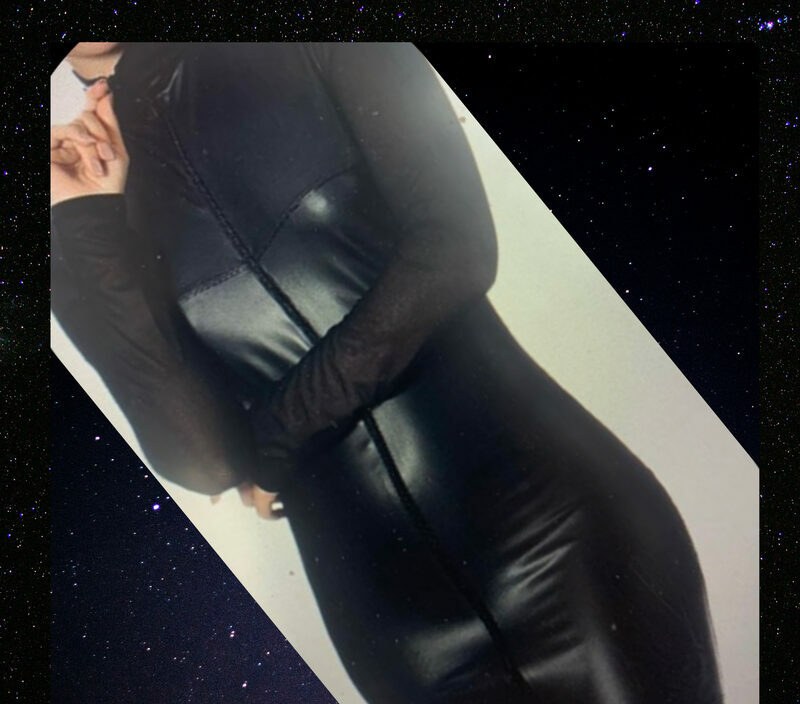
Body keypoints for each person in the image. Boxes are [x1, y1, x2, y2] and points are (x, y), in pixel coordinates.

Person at [51, 42, 724, 703]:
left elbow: (453, 250)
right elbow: (203, 459)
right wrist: (82, 226)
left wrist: (279, 436)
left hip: (563, 546)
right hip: (399, 640)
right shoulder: (85, 191)